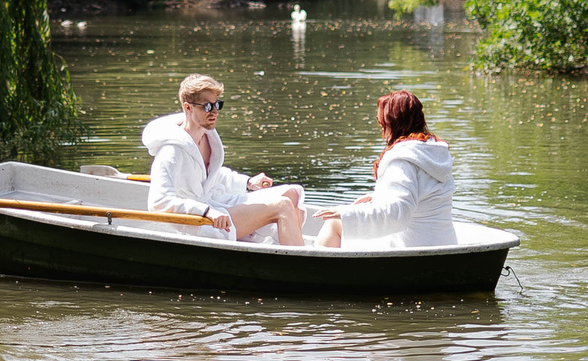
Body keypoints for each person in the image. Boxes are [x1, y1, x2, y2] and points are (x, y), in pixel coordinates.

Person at [143, 74, 307, 245]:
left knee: (291, 193)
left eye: (217, 104)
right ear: (188, 107)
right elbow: (159, 203)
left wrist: (248, 183)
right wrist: (206, 211)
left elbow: (212, 176)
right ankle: (300, 261)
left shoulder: (206, 136)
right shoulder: (171, 151)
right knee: (282, 205)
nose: (214, 111)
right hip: (196, 221)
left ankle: (289, 246)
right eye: (207, 106)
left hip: (215, 206)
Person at [313, 89, 456, 249]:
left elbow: (397, 214)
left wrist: (345, 213)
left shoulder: (403, 159)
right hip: (445, 243)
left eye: (383, 124)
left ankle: (315, 271)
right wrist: (377, 197)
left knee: (334, 223)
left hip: (413, 249)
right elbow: (422, 196)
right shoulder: (432, 154)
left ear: (394, 124)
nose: (382, 131)